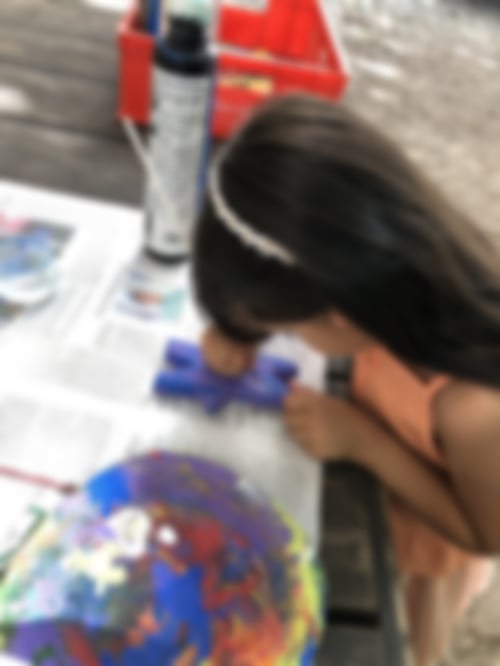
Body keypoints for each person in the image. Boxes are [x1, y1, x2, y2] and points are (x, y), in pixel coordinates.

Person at [193, 93, 500, 666]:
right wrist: (239, 330)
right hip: (376, 493)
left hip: (428, 543)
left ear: (341, 312)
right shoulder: (385, 267)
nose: (285, 335)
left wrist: (365, 444)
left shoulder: (474, 407)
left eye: (285, 325)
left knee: (403, 636)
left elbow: (485, 534)